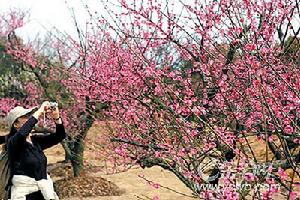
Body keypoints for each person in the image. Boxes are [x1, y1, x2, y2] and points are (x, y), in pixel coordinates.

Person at [5, 101, 66, 200]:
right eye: (25, 116)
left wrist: (56, 118)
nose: (29, 118)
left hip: (43, 192)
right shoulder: (13, 142)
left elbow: (59, 136)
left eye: (29, 116)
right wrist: (39, 111)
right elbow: (22, 133)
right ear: (15, 124)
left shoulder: (35, 141)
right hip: (24, 195)